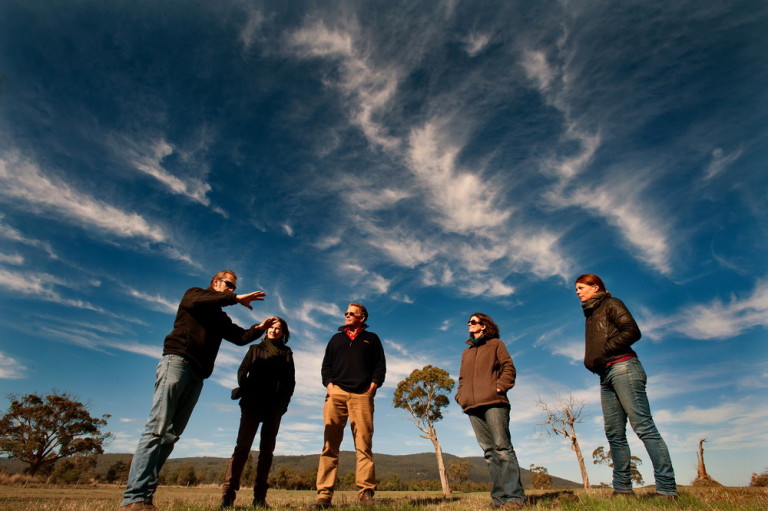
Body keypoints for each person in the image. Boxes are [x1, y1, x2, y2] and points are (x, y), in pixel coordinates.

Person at [120, 270, 277, 510]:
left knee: (171, 435)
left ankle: (146, 497)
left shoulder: (219, 316)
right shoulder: (194, 295)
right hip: (177, 362)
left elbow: (240, 336)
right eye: (229, 285)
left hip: (198, 374)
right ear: (215, 282)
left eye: (234, 288)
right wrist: (236, 299)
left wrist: (260, 328)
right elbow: (199, 301)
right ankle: (134, 498)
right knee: (157, 429)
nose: (232, 290)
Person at [575, 273, 677, 499]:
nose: (578, 292)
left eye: (581, 287)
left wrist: (606, 349)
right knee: (614, 433)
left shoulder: (611, 303)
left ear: (596, 286)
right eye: (577, 289)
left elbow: (631, 331)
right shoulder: (590, 314)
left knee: (643, 427)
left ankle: (667, 490)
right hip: (605, 375)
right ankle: (622, 489)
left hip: (624, 368)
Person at [314, 303, 386, 509]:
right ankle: (324, 496)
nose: (346, 315)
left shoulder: (371, 339)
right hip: (336, 394)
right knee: (330, 444)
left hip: (362, 395)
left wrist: (373, 386)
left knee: (363, 444)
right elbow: (326, 365)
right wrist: (329, 385)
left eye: (351, 313)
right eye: (345, 313)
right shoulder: (336, 339)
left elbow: (380, 365)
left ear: (362, 317)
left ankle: (366, 493)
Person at [221, 316, 295, 509]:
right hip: (252, 404)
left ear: (283, 332)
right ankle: (228, 496)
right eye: (271, 327)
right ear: (266, 329)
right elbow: (241, 372)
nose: (274, 330)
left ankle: (260, 499)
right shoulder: (255, 349)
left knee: (266, 452)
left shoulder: (287, 353)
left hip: (274, 407)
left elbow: (289, 382)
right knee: (242, 448)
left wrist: (283, 405)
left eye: (278, 328)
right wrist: (247, 392)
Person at [455, 313, 526, 509]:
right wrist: (460, 396)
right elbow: (462, 379)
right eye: (469, 322)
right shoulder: (466, 352)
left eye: (474, 321)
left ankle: (514, 498)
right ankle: (498, 499)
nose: (470, 324)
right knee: (489, 452)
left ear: (484, 326)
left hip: (494, 402)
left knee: (503, 448)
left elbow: (508, 367)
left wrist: (500, 386)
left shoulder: (496, 345)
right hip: (471, 405)